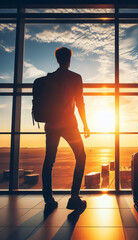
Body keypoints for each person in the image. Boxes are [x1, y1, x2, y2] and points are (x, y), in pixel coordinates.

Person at [42, 47, 90, 213]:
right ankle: (74, 197)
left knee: (49, 161)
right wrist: (85, 124)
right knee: (81, 156)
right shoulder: (75, 78)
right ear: (69, 60)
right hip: (69, 125)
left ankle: (48, 200)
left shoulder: (48, 78)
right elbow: (80, 103)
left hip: (51, 125)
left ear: (57, 60)